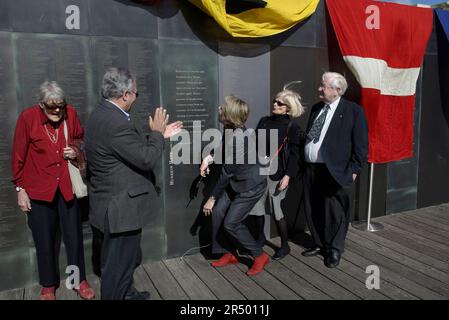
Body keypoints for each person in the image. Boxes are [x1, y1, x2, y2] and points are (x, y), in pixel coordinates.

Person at [85, 67, 182, 300]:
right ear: (126, 94)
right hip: (120, 211)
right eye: (136, 93)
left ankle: (128, 294)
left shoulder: (101, 114)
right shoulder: (116, 123)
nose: (136, 98)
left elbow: (128, 151)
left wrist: (157, 136)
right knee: (116, 270)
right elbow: (146, 159)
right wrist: (157, 133)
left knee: (123, 264)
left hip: (112, 207)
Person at [11, 81, 95, 300]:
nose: (57, 110)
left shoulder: (71, 114)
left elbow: (81, 139)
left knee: (74, 238)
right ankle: (48, 284)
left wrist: (75, 150)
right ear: (41, 105)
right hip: (38, 190)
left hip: (67, 188)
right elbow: (18, 156)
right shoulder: (27, 119)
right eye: (51, 106)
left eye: (60, 105)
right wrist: (20, 189)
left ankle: (78, 280)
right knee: (44, 239)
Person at [301, 72, 368, 268]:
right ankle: (320, 243)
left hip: (336, 171)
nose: (319, 89)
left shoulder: (353, 111)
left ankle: (335, 249)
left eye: (324, 86)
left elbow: (361, 145)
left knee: (336, 212)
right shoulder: (316, 108)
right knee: (313, 207)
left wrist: (354, 169)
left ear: (337, 90)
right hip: (312, 169)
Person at [201, 95, 269, 276]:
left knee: (231, 223)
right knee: (217, 213)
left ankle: (259, 255)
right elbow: (223, 147)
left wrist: (211, 198)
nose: (219, 109)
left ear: (229, 116)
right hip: (237, 182)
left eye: (222, 108)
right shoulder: (231, 128)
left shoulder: (239, 139)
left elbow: (225, 174)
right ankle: (229, 253)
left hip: (250, 186)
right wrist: (208, 158)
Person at [250, 82, 305, 260]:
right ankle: (258, 240)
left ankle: (284, 245)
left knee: (276, 209)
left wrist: (288, 176)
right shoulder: (264, 121)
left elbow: (296, 155)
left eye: (280, 103)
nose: (275, 104)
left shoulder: (292, 128)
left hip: (278, 174)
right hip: (260, 171)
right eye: (275, 101)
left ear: (289, 108)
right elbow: (253, 143)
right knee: (257, 207)